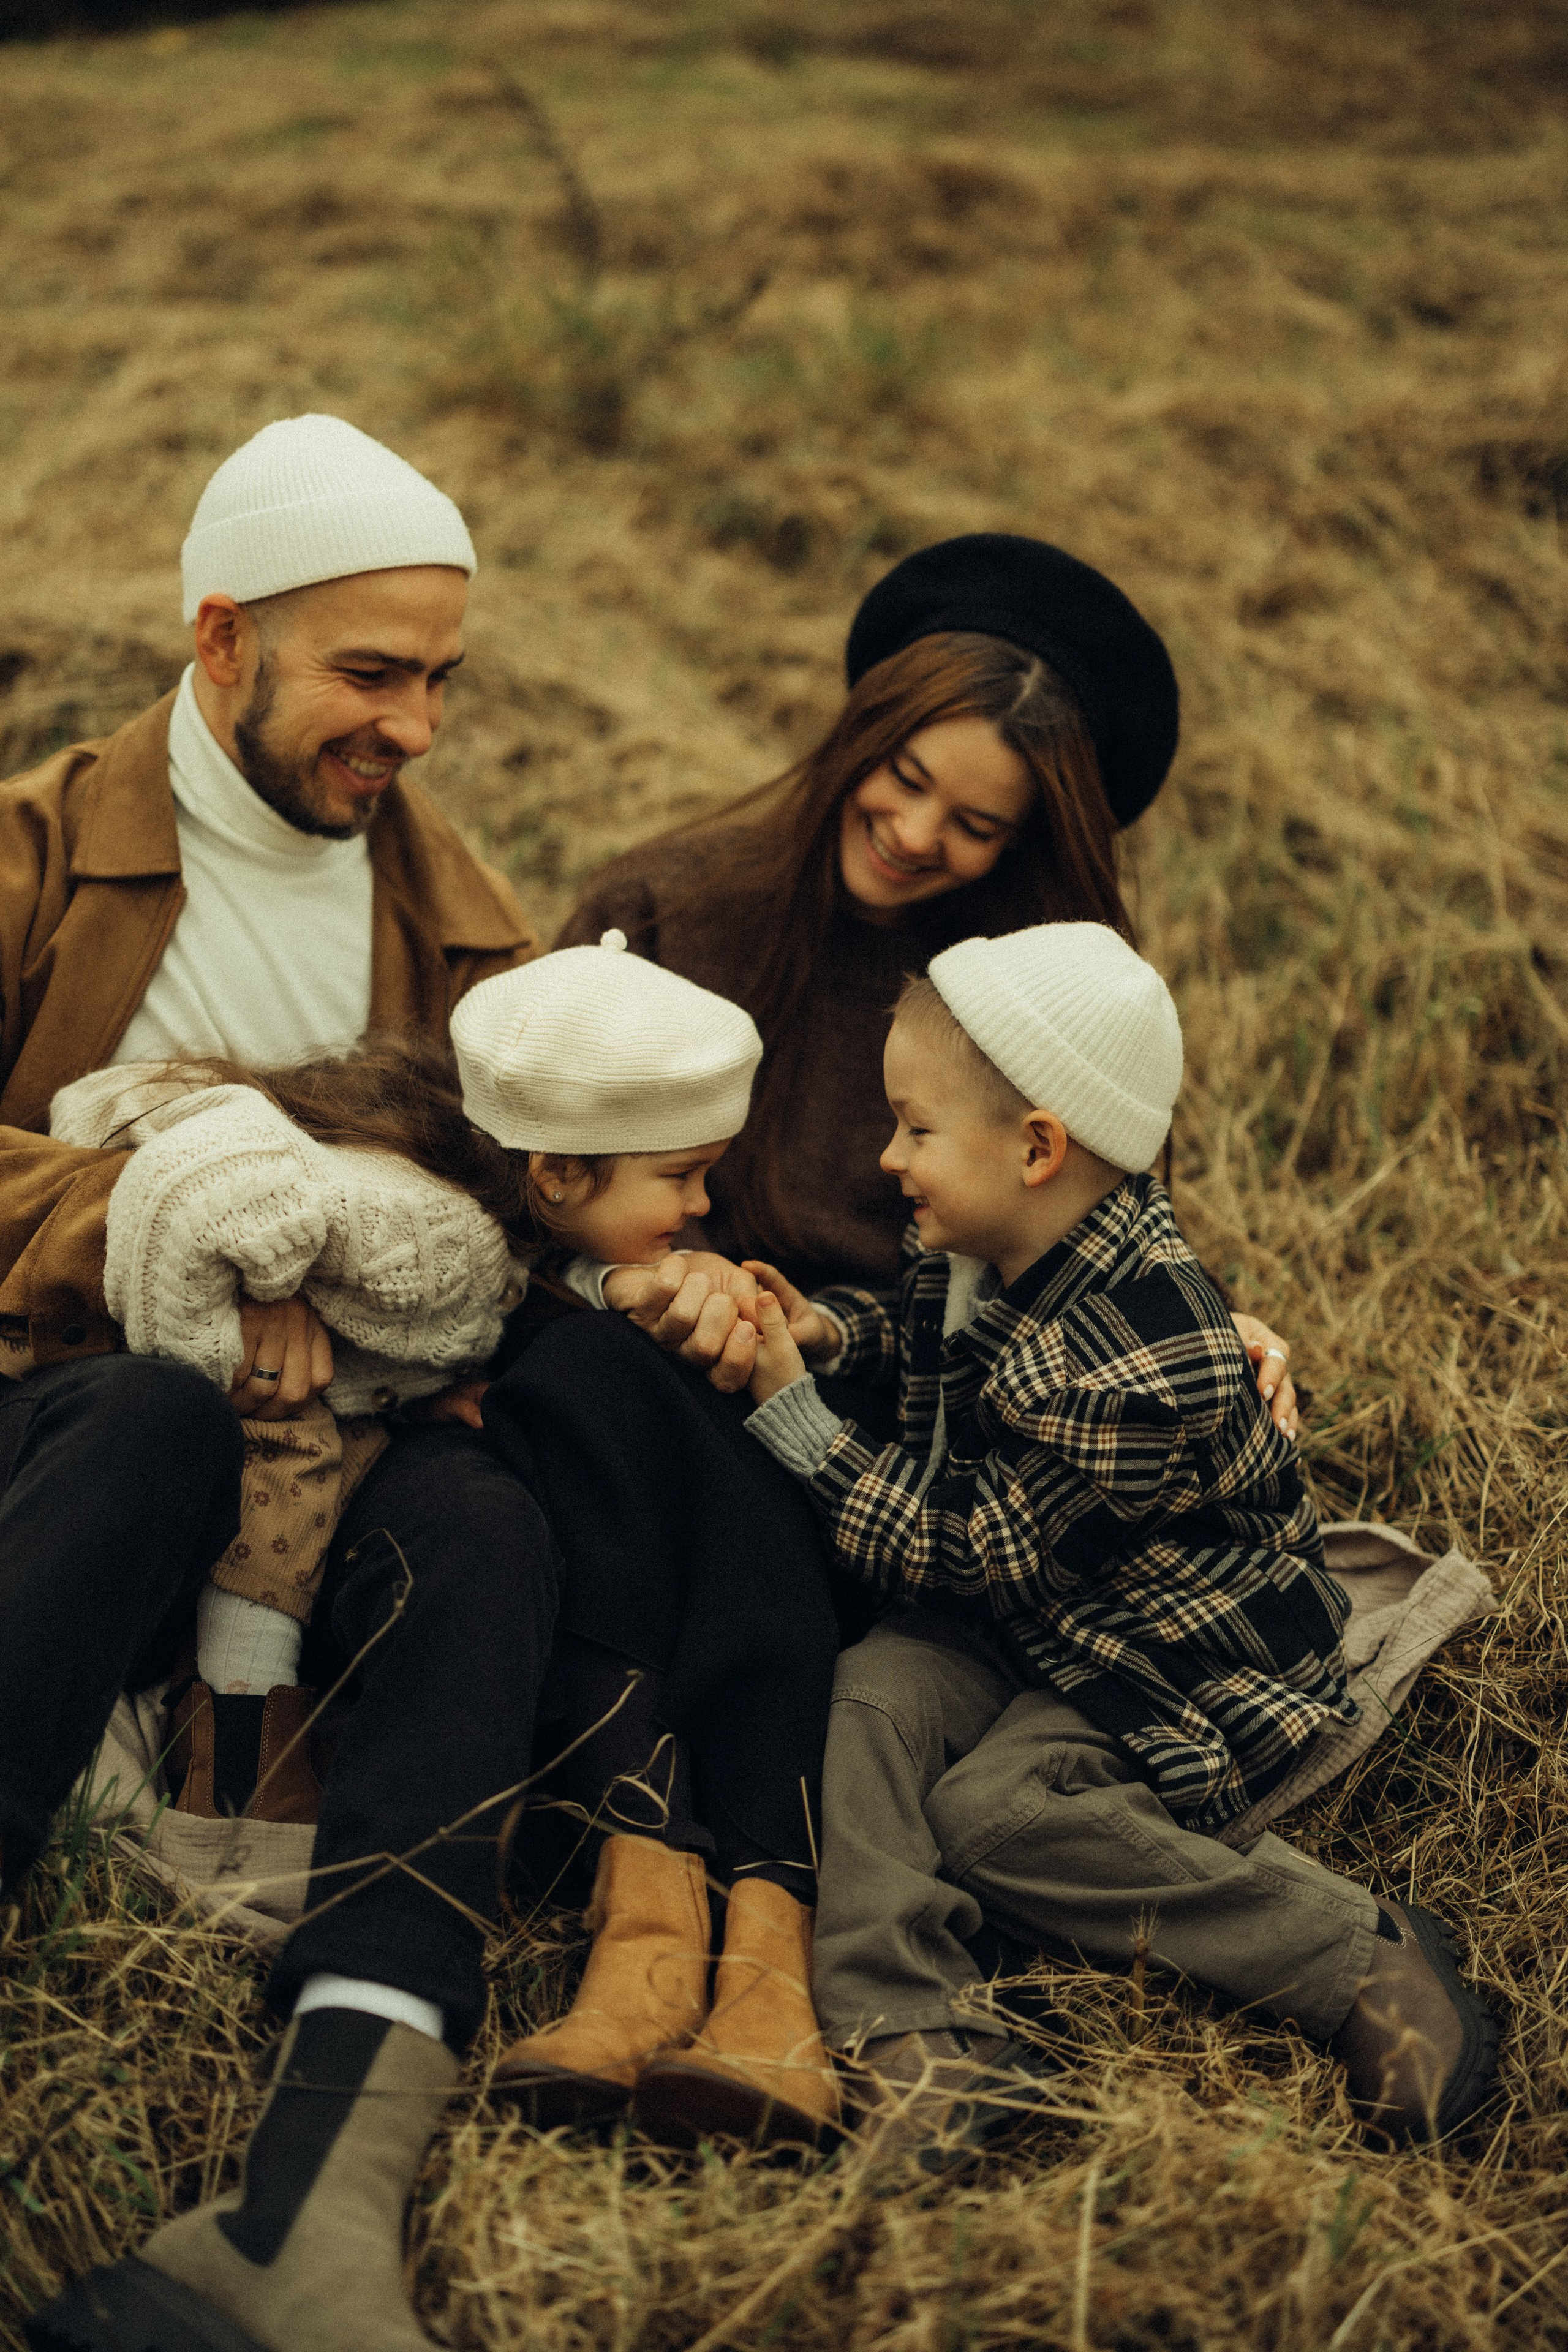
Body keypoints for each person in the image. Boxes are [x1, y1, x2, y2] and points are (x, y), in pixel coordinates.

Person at [15, 416, 560, 2352]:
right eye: (373, 673)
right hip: (66, 1416)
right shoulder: (30, 855)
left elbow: (541, 1194)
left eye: (442, 682)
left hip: (343, 1461)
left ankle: (313, 2208)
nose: (416, 725)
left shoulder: (469, 921)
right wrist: (169, 1219)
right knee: (156, 1423)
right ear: (224, 638)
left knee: (486, 1531)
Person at [732, 924, 1499, 2157]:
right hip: (1047, 1620)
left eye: (914, 1129)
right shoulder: (989, 1243)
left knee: (997, 1816)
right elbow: (917, 1335)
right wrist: (825, 1336)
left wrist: (794, 1418)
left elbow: (964, 1552)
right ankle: (907, 2027)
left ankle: (1353, 1955)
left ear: (1036, 1147)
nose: (887, 1157)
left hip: (1171, 1653)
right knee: (872, 1690)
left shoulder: (1141, 1360)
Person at [558, 535, 1300, 1440]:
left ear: (1024, 840)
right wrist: (675, 1279)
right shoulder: (665, 907)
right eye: (903, 778)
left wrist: (1214, 1330)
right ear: (858, 737)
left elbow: (1092, 1212)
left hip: (923, 1399)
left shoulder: (1027, 985)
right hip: (663, 1348)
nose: (911, 834)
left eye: (975, 824)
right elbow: (539, 1171)